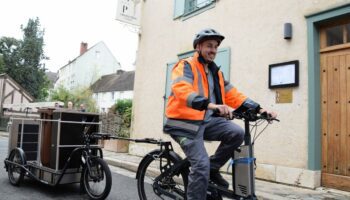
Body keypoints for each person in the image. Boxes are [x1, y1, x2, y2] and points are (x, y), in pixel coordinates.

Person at [163, 28, 277, 200]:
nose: (213, 50)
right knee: (200, 165)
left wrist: (260, 110)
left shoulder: (216, 73)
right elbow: (182, 90)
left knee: (236, 133)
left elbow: (234, 95)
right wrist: (211, 105)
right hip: (183, 124)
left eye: (216, 46)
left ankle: (212, 168)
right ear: (198, 47)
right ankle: (204, 173)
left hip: (206, 122)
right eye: (209, 46)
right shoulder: (186, 65)